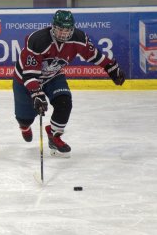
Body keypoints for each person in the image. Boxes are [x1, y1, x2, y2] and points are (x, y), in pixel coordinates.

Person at [13, 10, 125, 158]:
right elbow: (29, 74)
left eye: (67, 30)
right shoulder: (37, 40)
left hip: (53, 76)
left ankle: (54, 136)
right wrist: (36, 94)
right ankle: (24, 126)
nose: (64, 33)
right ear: (53, 27)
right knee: (25, 118)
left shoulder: (79, 38)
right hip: (25, 79)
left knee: (64, 102)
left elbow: (93, 55)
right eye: (60, 29)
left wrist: (110, 67)